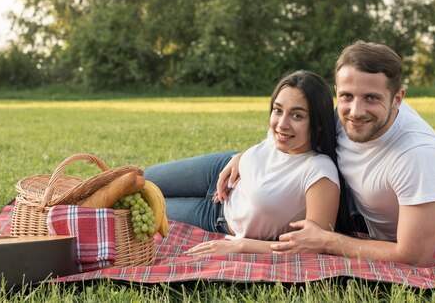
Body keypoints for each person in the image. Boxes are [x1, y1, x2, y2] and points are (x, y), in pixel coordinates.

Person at [220, 41, 435, 266]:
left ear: (398, 98)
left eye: (371, 98)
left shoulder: (419, 157)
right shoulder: (345, 117)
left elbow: (414, 256)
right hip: (250, 171)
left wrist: (327, 240)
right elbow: (290, 131)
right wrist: (244, 156)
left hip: (277, 197)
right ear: (337, 92)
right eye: (347, 96)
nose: (356, 111)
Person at [144, 70, 353, 255]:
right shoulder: (282, 136)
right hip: (217, 170)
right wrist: (240, 157)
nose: (282, 124)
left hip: (215, 217)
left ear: (317, 124)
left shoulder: (319, 172)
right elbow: (269, 155)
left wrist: (241, 246)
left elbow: (314, 245)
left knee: (140, 206)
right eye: (278, 110)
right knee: (139, 180)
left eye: (297, 116)